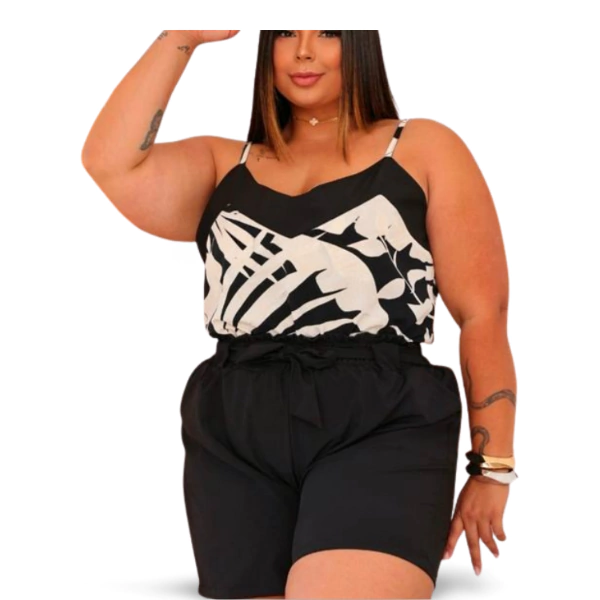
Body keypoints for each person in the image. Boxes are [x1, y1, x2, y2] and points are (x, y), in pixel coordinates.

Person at [81, 30, 518, 600]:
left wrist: (492, 470)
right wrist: (182, 35)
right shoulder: (223, 164)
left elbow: (483, 314)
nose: (303, 51)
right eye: (286, 32)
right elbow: (110, 163)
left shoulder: (421, 149)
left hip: (381, 420)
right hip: (235, 427)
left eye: (328, 33)